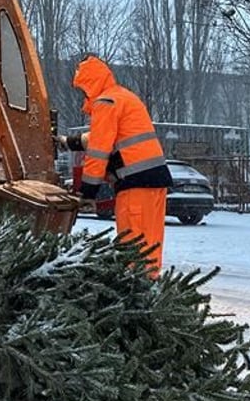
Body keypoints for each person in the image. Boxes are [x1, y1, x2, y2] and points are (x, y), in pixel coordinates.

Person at [59, 54, 173, 276]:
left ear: (90, 85)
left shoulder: (105, 103)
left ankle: (135, 294)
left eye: (82, 89)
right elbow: (109, 137)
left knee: (133, 246)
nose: (82, 95)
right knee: (150, 244)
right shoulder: (122, 97)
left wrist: (88, 193)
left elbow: (99, 151)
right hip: (154, 181)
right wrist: (69, 142)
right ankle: (150, 294)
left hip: (135, 185)